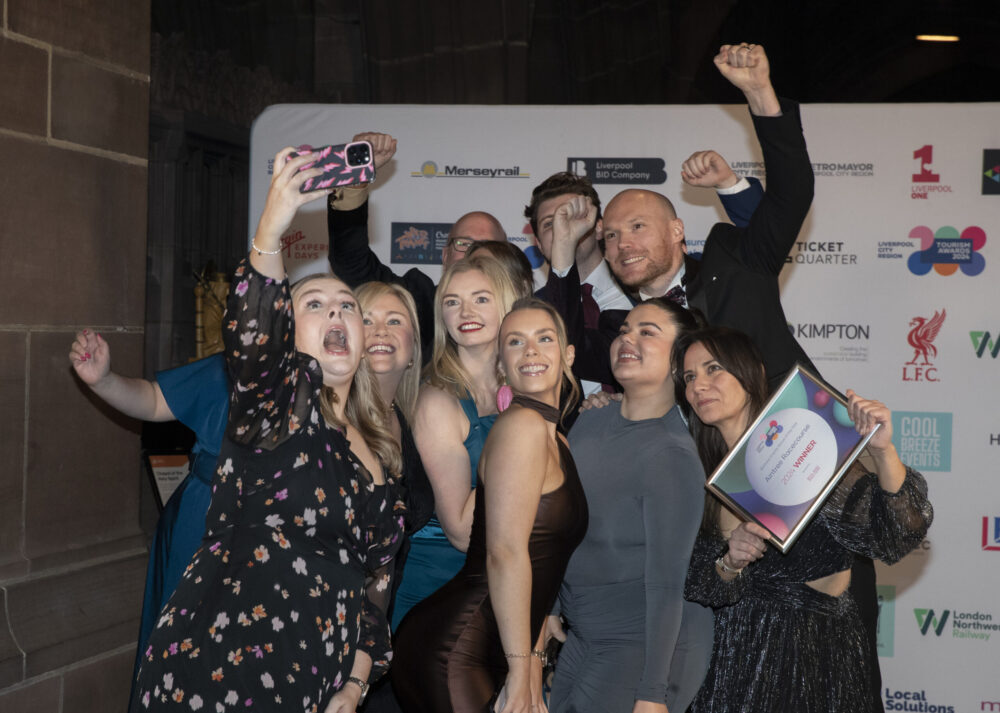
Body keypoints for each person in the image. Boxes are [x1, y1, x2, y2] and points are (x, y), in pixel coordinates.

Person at [131, 147, 405, 713]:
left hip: (317, 684)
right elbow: (252, 334)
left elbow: (374, 590)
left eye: (347, 306)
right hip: (223, 671)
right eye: (314, 304)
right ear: (286, 329)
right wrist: (273, 227)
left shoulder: (380, 446)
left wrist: (352, 688)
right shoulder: (273, 408)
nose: (336, 313)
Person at [672, 327, 933, 713]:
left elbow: (896, 533)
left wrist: (883, 452)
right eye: (690, 377)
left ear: (753, 374)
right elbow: (701, 586)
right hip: (731, 664)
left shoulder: (802, 450)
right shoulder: (699, 473)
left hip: (816, 659)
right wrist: (731, 561)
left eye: (713, 369)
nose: (699, 386)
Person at [392, 298, 588, 713]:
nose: (530, 351)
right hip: (454, 650)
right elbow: (506, 555)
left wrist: (532, 666)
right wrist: (522, 671)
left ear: (568, 354)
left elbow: (541, 567)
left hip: (497, 649)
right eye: (515, 342)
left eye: (544, 338)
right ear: (502, 364)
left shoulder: (557, 438)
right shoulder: (521, 428)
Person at [546, 299, 713, 713]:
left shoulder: (672, 454)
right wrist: (552, 605)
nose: (627, 337)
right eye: (625, 329)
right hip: (582, 634)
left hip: (646, 650)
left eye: (647, 331)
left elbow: (667, 584)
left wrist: (653, 692)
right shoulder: (588, 422)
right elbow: (562, 527)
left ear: (679, 361)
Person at [69, 336, 227, 679]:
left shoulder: (328, 386)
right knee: (185, 661)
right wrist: (105, 380)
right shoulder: (228, 370)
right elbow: (156, 400)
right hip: (202, 528)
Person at [390, 255, 526, 630]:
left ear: (507, 304)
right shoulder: (436, 401)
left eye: (481, 298)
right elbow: (463, 533)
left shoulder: (525, 388)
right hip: (441, 590)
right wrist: (514, 438)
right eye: (452, 301)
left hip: (506, 584)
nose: (466, 310)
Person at [327, 132, 507, 360]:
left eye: (488, 246)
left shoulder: (525, 314)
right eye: (463, 244)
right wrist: (356, 173)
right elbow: (351, 261)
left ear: (507, 258)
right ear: (445, 255)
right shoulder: (417, 303)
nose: (474, 253)